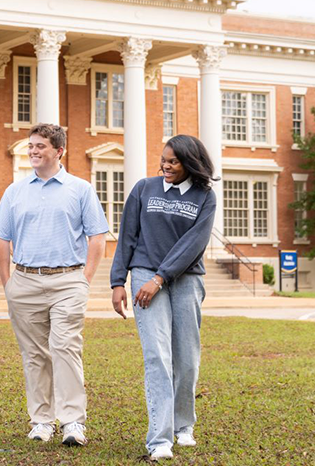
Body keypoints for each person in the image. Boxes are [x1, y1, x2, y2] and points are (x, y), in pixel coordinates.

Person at [0, 123, 110, 447]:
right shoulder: (15, 191)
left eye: (40, 146)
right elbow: (0, 237)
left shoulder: (80, 189)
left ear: (59, 151)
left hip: (68, 280)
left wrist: (84, 279)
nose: (33, 151)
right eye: (31, 145)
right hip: (25, 280)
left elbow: (97, 236)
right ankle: (42, 421)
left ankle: (73, 421)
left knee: (64, 346)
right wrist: (8, 284)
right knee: (34, 354)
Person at [110, 134, 217, 461]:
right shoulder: (144, 189)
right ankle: (159, 439)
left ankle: (183, 426)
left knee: (186, 357)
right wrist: (118, 281)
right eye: (163, 160)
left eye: (173, 161)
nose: (165, 166)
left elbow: (194, 244)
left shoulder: (204, 197)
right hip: (143, 273)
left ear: (189, 162)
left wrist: (161, 277)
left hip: (185, 280)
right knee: (157, 356)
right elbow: (127, 235)